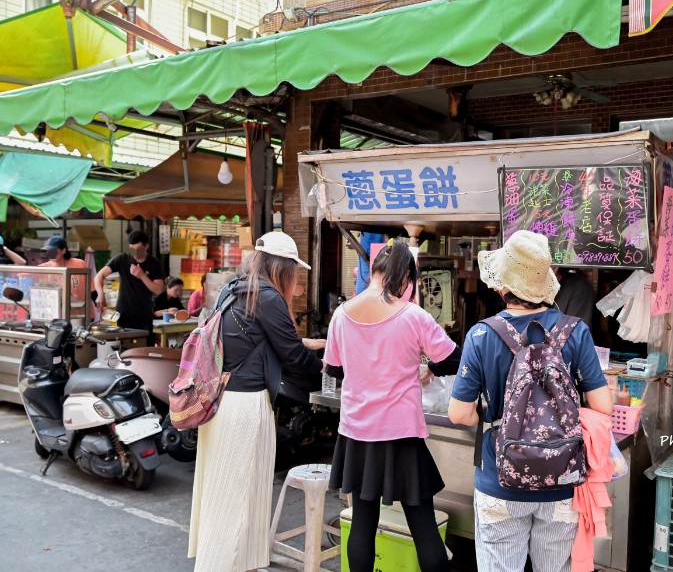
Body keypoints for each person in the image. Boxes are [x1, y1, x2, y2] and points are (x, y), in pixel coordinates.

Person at [448, 230, 613, 572]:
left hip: (499, 479)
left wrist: (493, 416)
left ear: (502, 287)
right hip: (562, 483)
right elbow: (603, 407)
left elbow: (459, 414)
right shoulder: (576, 331)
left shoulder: (480, 335)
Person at [188, 231, 325, 572]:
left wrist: (307, 344)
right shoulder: (268, 297)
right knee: (239, 498)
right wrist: (327, 368)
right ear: (283, 267)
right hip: (245, 408)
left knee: (231, 495)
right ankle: (220, 565)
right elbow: (291, 355)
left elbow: (259, 340)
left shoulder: (233, 289)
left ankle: (242, 565)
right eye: (294, 269)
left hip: (221, 404)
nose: (296, 277)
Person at [324, 238, 460, 572]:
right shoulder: (414, 316)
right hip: (401, 433)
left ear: (373, 271)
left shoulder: (341, 315)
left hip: (357, 432)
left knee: (363, 522)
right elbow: (455, 358)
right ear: (406, 279)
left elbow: (333, 369)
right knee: (423, 525)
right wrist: (428, 368)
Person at [93, 230, 163, 337]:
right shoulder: (122, 259)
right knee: (123, 347)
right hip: (123, 313)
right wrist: (100, 294)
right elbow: (99, 276)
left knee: (143, 348)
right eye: (132, 249)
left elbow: (158, 289)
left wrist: (142, 276)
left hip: (144, 315)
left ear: (146, 246)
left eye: (138, 250)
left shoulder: (154, 264)